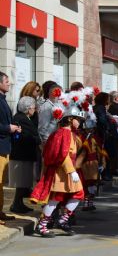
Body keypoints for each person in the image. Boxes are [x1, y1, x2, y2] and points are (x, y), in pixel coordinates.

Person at [30, 99, 86, 237]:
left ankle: (63, 219)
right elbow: (63, 155)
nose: (79, 123)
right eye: (78, 119)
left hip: (67, 171)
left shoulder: (70, 133)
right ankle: (42, 225)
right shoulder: (63, 133)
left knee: (79, 194)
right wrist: (72, 171)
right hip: (60, 172)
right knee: (56, 198)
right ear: (70, 119)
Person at [8, 96, 40, 214]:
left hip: (26, 154)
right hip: (21, 155)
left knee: (23, 182)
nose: (34, 109)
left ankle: (19, 203)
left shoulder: (26, 118)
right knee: (21, 182)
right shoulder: (20, 118)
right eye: (33, 107)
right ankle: (16, 204)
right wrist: (36, 139)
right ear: (27, 108)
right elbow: (22, 136)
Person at [0, 72, 23, 224]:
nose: (9, 83)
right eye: (7, 81)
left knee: (1, 182)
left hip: (4, 146)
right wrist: (9, 128)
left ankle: (0, 211)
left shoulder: (3, 99)